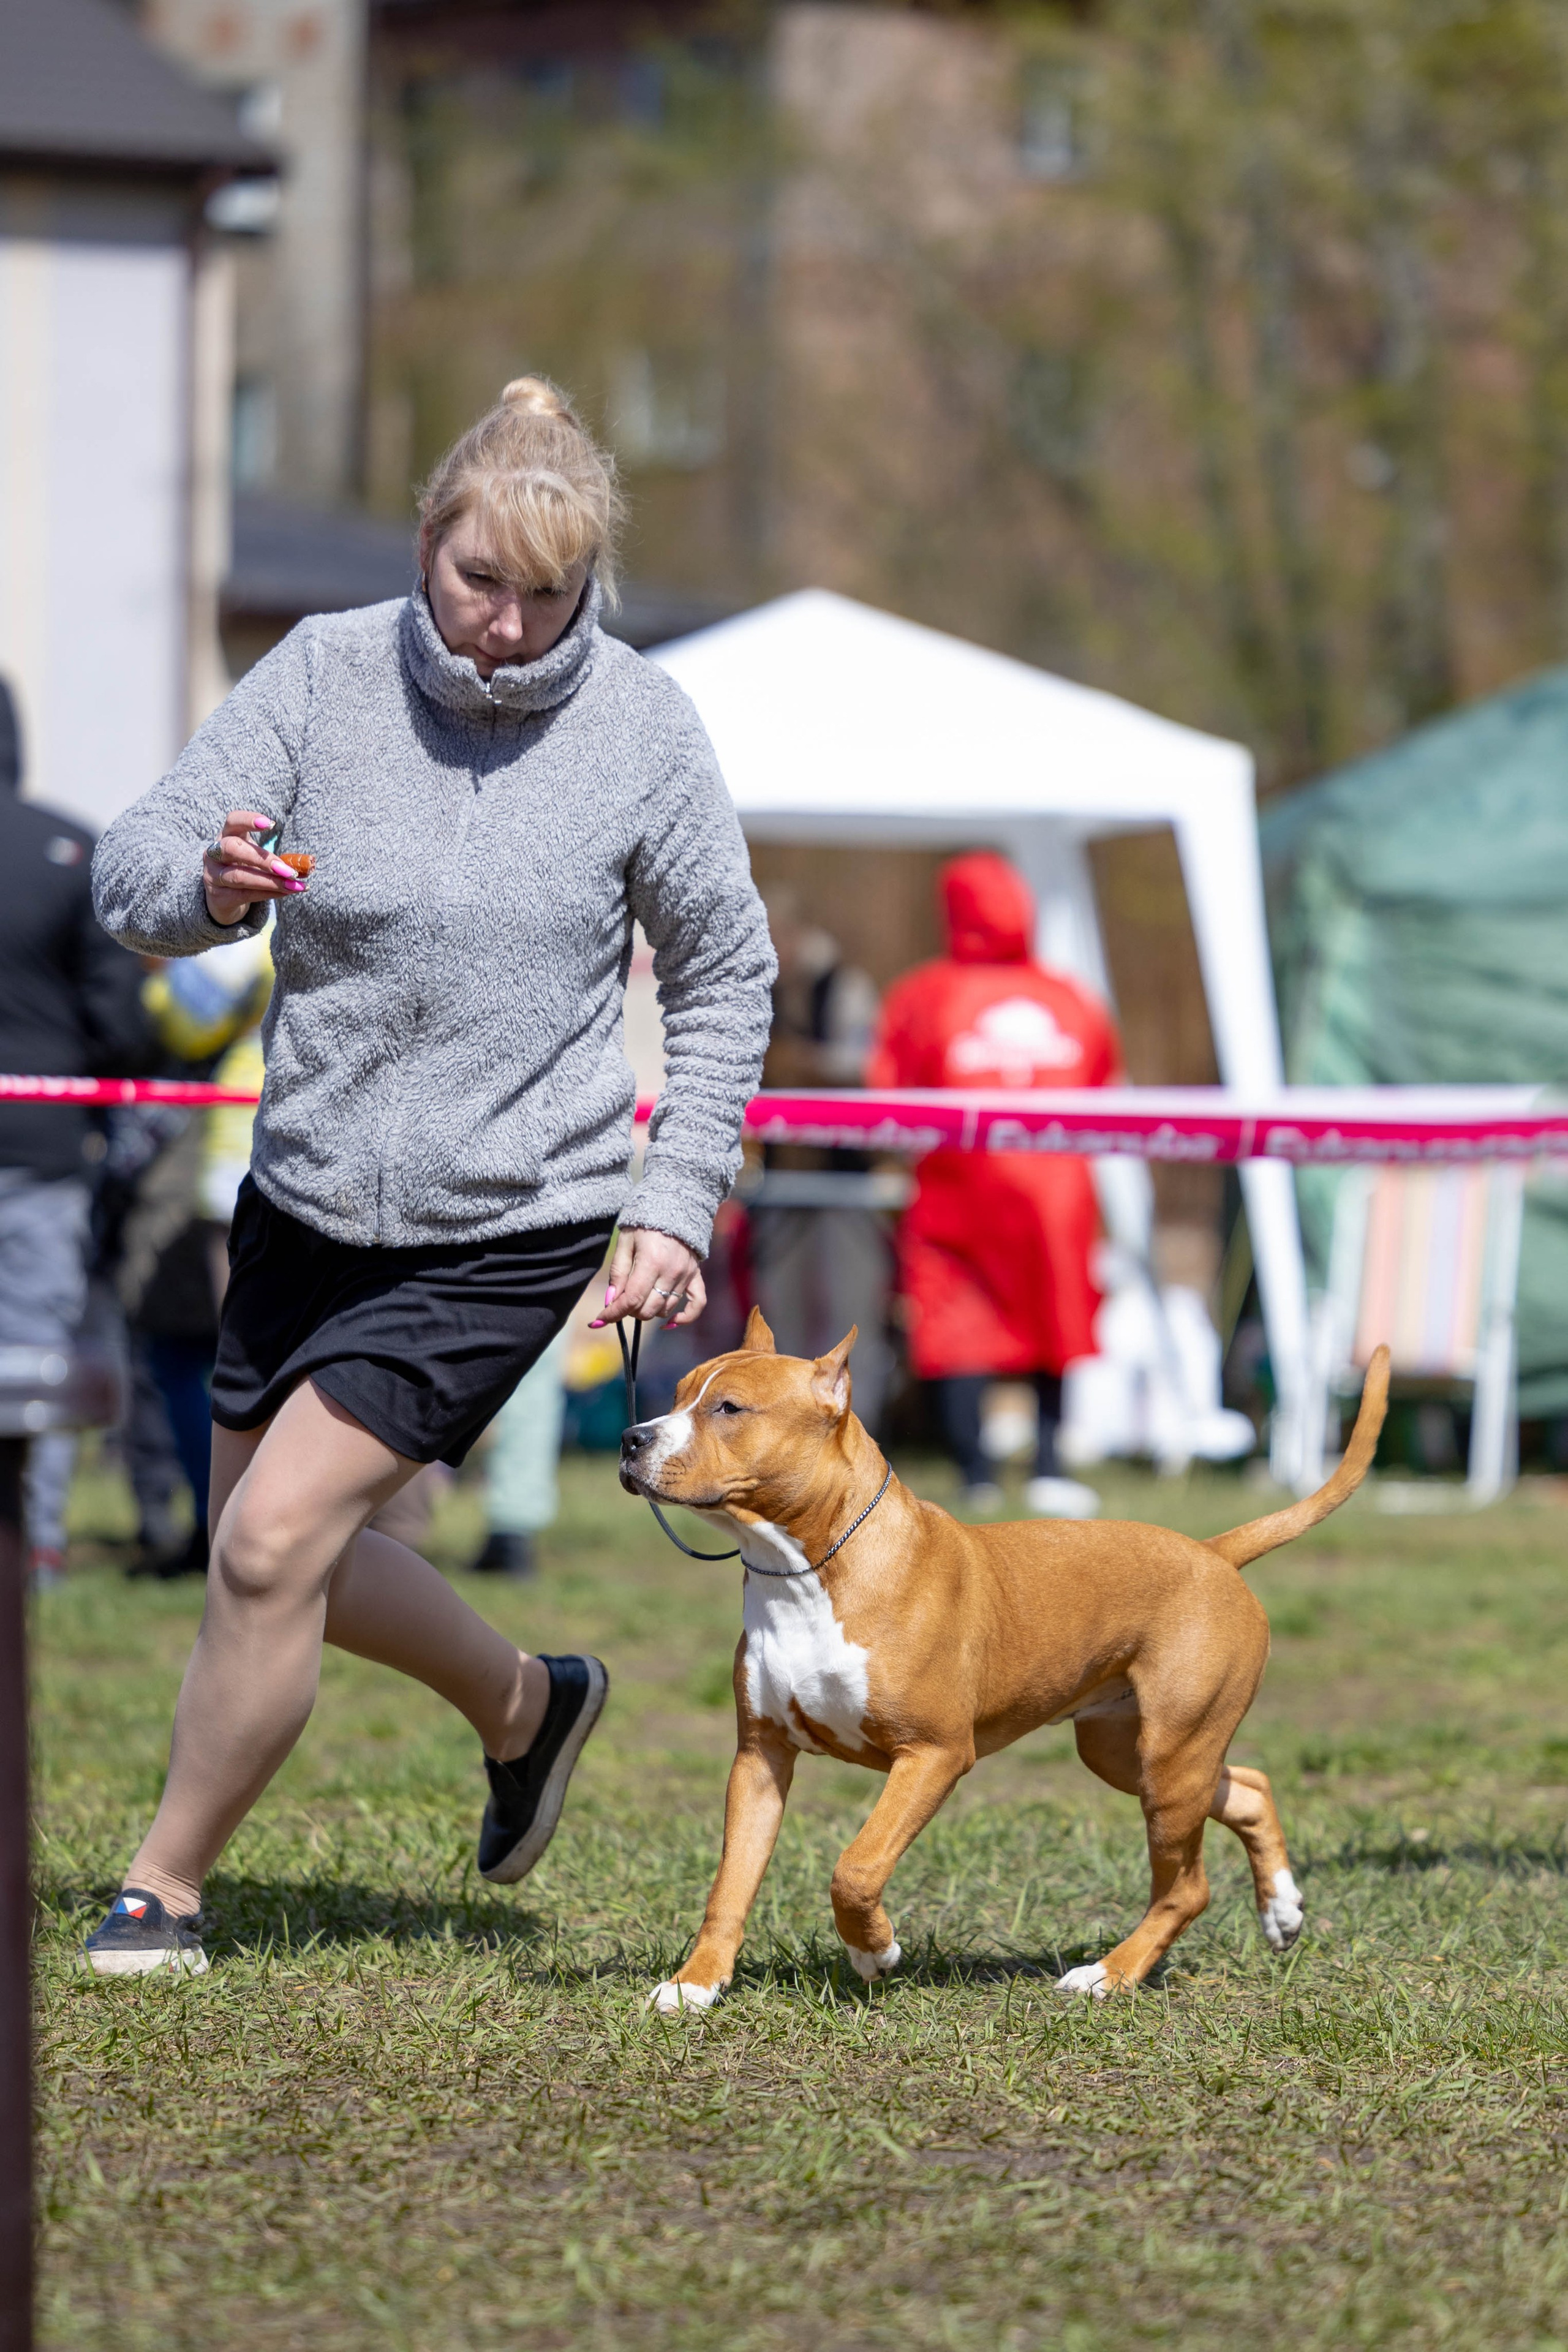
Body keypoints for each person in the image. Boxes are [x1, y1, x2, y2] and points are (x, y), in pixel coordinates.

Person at [83, 376, 774, 1975]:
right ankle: (531, 1706)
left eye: (549, 595)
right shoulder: (320, 677)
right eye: (481, 583)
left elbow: (727, 977)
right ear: (426, 546)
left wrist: (672, 1202)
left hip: (509, 1218)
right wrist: (209, 881)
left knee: (263, 1552)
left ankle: (165, 1889)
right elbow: (136, 868)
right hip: (308, 1191)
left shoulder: (643, 732)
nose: (510, 625)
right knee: (270, 1544)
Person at [867, 851, 1118, 1518]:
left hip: (957, 1196)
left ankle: (975, 1472)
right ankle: (1048, 1466)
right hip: (1056, 1199)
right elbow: (1104, 1078)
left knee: (958, 1327)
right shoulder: (1071, 997)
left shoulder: (922, 996)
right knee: (1052, 1321)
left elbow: (885, 1091)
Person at [0, 677, 152, 1585]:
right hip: (43, 1156)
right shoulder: (65, 851)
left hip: (43, 1155)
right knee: (33, 1355)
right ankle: (36, 1550)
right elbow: (121, 1020)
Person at [747, 884, 894, 1432]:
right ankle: (782, 1424)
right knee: (778, 1313)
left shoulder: (847, 987)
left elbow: (866, 1067)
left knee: (853, 1314)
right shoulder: (761, 990)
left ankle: (863, 1425)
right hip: (782, 1180)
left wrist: (794, 1065)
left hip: (846, 1181)